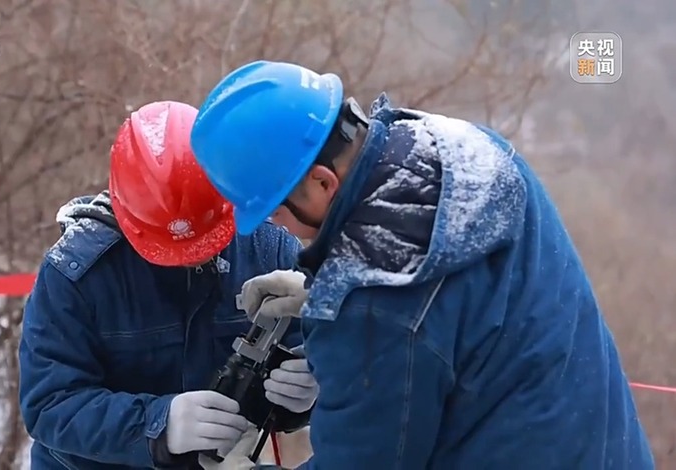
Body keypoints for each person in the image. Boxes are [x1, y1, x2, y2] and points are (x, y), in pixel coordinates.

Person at [188, 61, 655, 469]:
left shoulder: (373, 309)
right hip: (604, 446)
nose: (277, 225)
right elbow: (455, 301)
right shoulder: (459, 148)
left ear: (322, 182)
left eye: (275, 209)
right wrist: (319, 292)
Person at [18, 100, 318, 470]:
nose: (191, 258)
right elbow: (50, 405)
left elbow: (313, 351)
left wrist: (308, 392)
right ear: (128, 215)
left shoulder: (269, 249)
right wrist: (160, 424)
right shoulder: (74, 272)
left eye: (205, 241)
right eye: (169, 250)